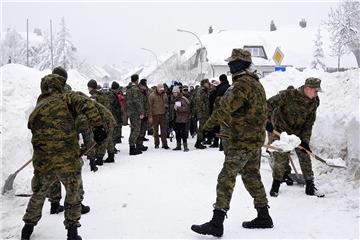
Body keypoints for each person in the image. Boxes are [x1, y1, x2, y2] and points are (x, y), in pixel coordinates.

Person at [191, 49, 273, 238]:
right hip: (254, 140)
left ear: (238, 65)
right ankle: (264, 215)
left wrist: (207, 127)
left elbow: (224, 109)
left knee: (226, 178)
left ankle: (217, 222)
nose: (229, 66)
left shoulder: (241, 85)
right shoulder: (256, 84)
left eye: (232, 63)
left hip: (241, 141)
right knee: (251, 176)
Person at [21, 73, 107, 240]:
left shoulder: (38, 108)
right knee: (73, 193)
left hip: (44, 162)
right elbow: (86, 103)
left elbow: (31, 126)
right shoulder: (66, 99)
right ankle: (72, 233)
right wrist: (98, 127)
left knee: (38, 194)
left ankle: (27, 229)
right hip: (67, 160)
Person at [266, 77, 324, 197]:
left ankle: (310, 184)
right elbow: (267, 105)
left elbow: (309, 123)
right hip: (280, 130)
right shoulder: (288, 95)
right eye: (316, 91)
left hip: (298, 132)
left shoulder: (314, 102)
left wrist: (305, 141)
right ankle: (276, 184)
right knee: (280, 156)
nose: (317, 93)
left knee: (305, 154)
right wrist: (266, 121)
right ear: (308, 88)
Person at [125, 74, 144, 155]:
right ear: (137, 80)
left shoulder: (128, 89)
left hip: (130, 112)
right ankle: (132, 149)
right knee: (136, 130)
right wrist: (141, 112)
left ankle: (132, 147)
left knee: (133, 129)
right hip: (135, 113)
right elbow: (137, 101)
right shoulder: (135, 89)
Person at [149, 83, 170, 149]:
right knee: (156, 130)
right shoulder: (152, 95)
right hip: (155, 114)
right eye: (160, 89)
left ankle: (165, 144)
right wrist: (150, 116)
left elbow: (167, 102)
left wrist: (166, 106)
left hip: (163, 114)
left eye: (162, 89)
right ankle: (156, 143)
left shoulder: (164, 94)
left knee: (163, 130)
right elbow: (149, 106)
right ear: (157, 88)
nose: (161, 90)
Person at [171, 86, 190, 152]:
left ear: (178, 92)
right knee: (177, 132)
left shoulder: (183, 99)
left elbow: (186, 109)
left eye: (175, 92)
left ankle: (185, 146)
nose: (173, 94)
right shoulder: (175, 99)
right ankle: (178, 145)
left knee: (183, 133)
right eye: (173, 92)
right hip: (176, 118)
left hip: (182, 119)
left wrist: (178, 108)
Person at [194, 79, 211, 149]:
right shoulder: (201, 91)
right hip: (202, 113)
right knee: (201, 128)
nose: (208, 84)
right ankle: (198, 142)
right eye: (207, 83)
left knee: (203, 127)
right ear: (204, 83)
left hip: (205, 112)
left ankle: (200, 141)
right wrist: (204, 109)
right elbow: (199, 101)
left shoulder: (205, 90)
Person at [137, 79, 150, 152]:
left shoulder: (145, 92)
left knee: (143, 130)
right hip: (140, 114)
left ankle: (140, 144)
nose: (145, 87)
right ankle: (138, 145)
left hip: (145, 113)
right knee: (139, 131)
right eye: (144, 86)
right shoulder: (137, 92)